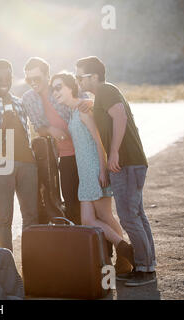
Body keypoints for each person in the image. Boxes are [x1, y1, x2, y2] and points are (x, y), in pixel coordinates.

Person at [76, 56, 156, 287]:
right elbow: (113, 114)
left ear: (94, 76)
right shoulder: (103, 95)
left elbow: (119, 117)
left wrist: (114, 152)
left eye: (80, 76)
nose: (78, 80)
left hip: (126, 163)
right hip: (132, 162)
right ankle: (147, 264)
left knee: (130, 217)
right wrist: (93, 105)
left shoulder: (106, 90)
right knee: (137, 215)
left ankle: (144, 269)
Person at [50, 72, 133, 275]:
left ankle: (125, 257)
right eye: (53, 89)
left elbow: (98, 141)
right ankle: (124, 249)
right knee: (88, 220)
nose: (55, 92)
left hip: (95, 169)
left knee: (104, 215)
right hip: (85, 172)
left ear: (71, 86)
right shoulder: (75, 110)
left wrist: (103, 169)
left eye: (59, 87)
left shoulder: (84, 110)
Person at [21, 57, 93, 225]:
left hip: (85, 151)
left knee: (91, 200)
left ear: (47, 75)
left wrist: (89, 102)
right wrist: (50, 130)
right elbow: (37, 127)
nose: (33, 82)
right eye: (28, 79)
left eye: (36, 78)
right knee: (70, 203)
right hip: (64, 156)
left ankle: (103, 248)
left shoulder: (61, 87)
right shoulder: (28, 98)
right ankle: (81, 245)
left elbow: (85, 101)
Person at [0, 59, 39, 252]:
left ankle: (31, 263)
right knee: (4, 218)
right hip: (2, 163)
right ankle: (7, 266)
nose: (3, 81)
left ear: (12, 78)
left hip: (27, 163)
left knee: (31, 216)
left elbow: (29, 131)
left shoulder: (20, 103)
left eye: (7, 77)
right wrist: (5, 114)